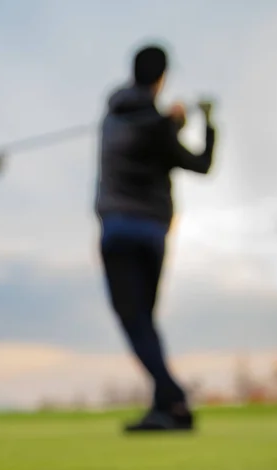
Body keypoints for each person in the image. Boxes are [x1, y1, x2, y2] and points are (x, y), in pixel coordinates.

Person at [94, 44, 216, 432]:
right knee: (144, 319)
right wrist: (206, 124)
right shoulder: (157, 123)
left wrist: (168, 122)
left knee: (136, 321)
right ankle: (168, 406)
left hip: (119, 231)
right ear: (162, 78)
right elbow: (201, 164)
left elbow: (136, 142)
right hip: (152, 233)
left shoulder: (112, 116)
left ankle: (172, 398)